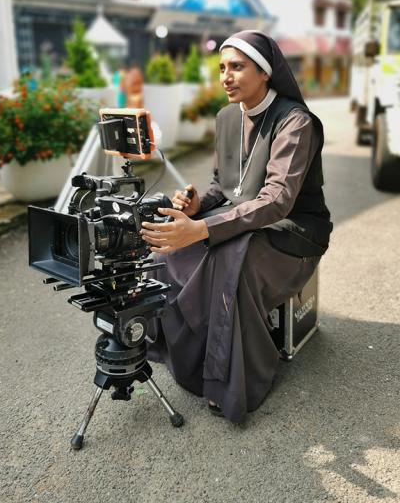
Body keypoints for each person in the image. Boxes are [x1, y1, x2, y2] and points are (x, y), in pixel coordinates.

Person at [140, 30, 332, 422]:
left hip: (294, 231)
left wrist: (204, 228)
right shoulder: (227, 117)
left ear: (264, 72)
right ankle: (182, 352)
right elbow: (222, 186)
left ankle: (227, 380)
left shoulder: (295, 122)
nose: (226, 76)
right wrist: (197, 206)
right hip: (242, 217)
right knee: (165, 242)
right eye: (222, 68)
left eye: (237, 67)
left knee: (230, 258)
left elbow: (277, 200)